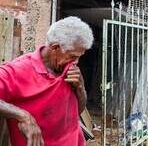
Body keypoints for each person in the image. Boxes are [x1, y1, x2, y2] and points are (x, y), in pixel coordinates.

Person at [0, 16, 94, 146]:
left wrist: (80, 88)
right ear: (55, 48)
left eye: (79, 57)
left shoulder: (69, 70)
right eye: (73, 56)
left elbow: (77, 110)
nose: (76, 62)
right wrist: (23, 116)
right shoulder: (17, 70)